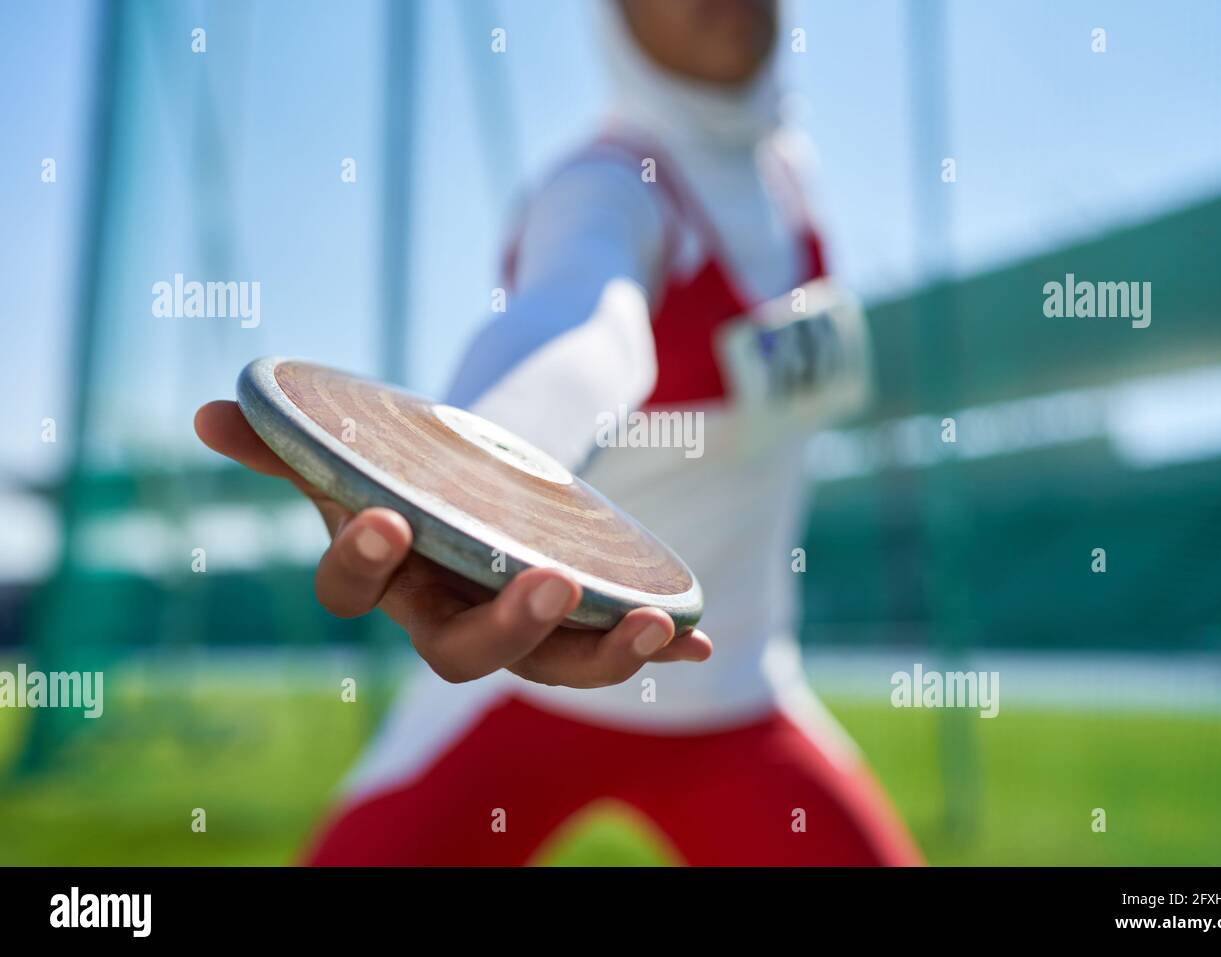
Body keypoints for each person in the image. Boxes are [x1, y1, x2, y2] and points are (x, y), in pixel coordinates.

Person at [196, 0, 921, 866]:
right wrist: (451, 485)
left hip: (737, 698)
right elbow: (581, 326)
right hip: (514, 695)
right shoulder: (604, 186)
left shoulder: (790, 177)